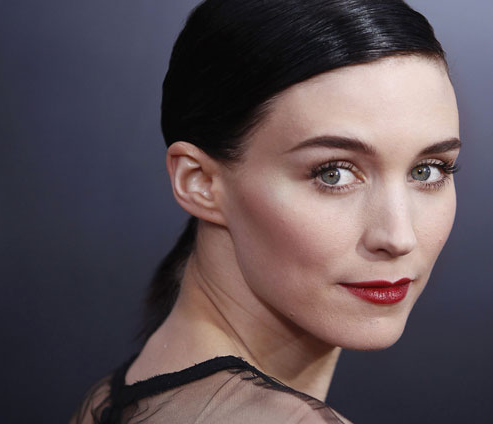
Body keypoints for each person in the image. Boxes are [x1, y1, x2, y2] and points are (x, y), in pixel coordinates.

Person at [71, 0, 461, 422]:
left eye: (428, 170)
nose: (399, 237)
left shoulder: (117, 397)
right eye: (333, 174)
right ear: (200, 182)